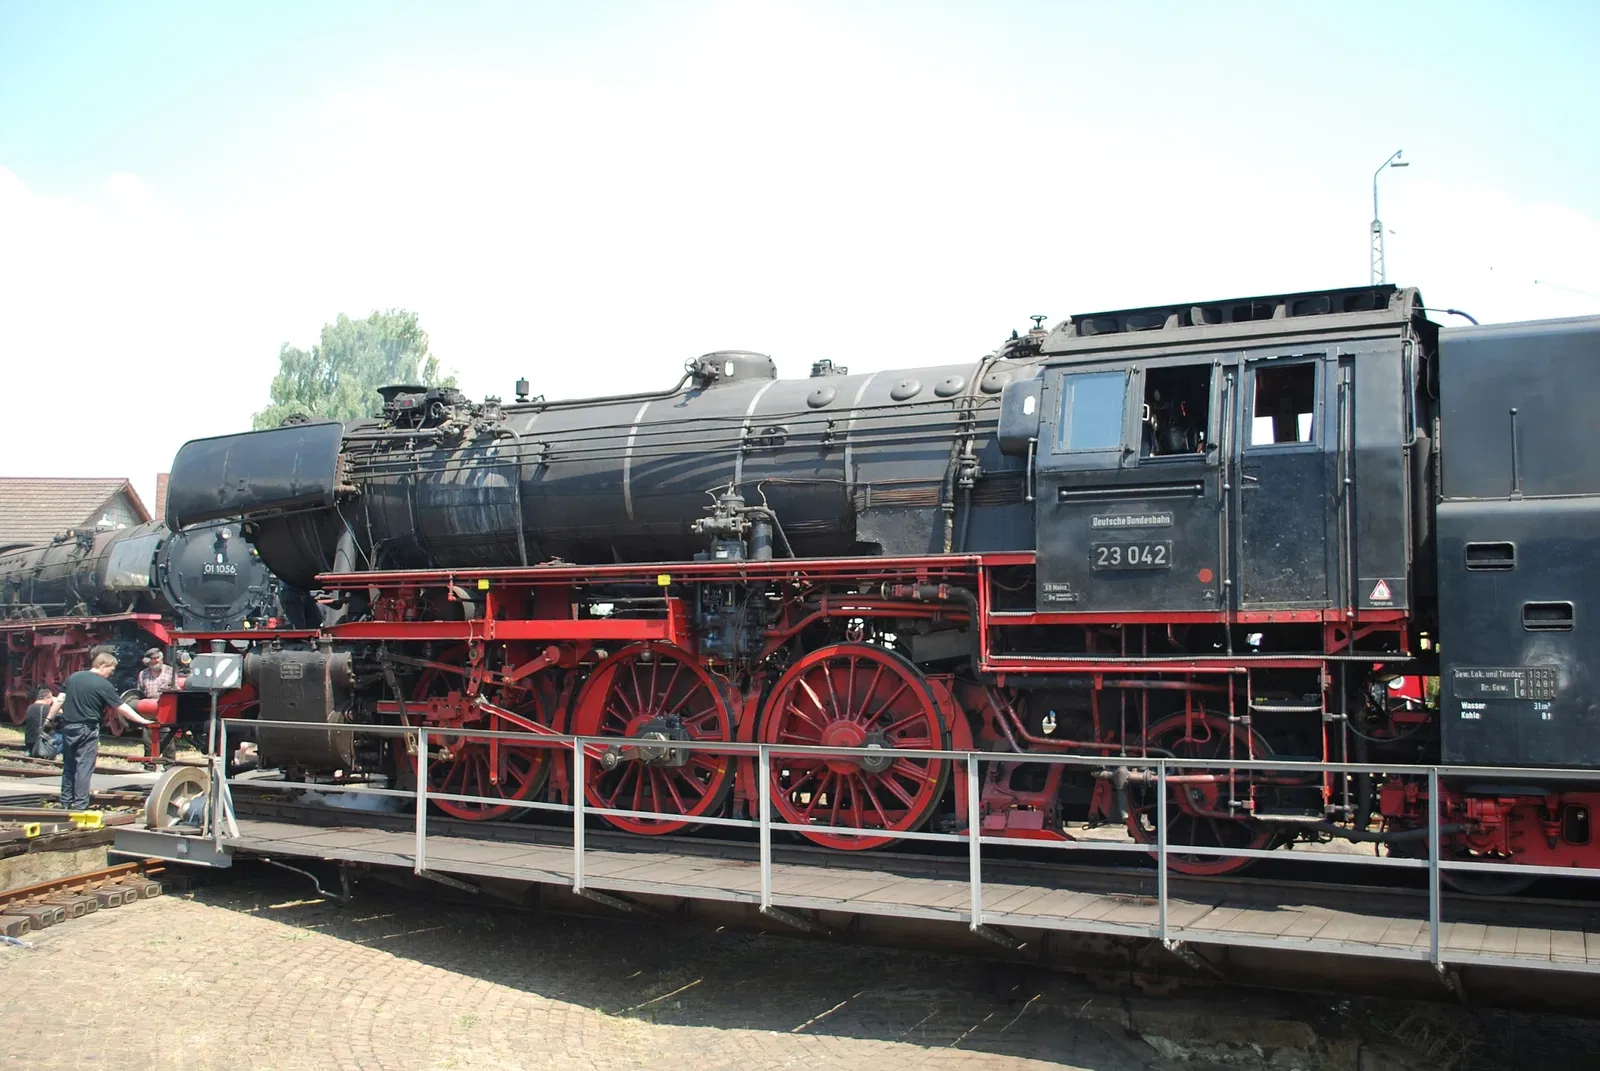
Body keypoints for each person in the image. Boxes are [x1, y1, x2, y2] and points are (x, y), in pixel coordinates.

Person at [45, 652, 154, 810]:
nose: (112, 673)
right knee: (84, 766)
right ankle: (80, 804)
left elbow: (60, 700)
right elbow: (121, 707)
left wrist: (48, 719)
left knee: (69, 765)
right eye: (111, 669)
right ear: (103, 666)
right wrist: (142, 720)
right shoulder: (103, 685)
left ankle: (66, 801)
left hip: (68, 727)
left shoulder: (73, 677)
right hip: (87, 728)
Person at [22, 686, 59, 759]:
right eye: (51, 698)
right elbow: (62, 719)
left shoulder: (29, 708)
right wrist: (56, 703)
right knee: (63, 735)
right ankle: (55, 752)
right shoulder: (48, 709)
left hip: (30, 742)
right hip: (42, 743)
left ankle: (31, 751)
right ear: (47, 698)